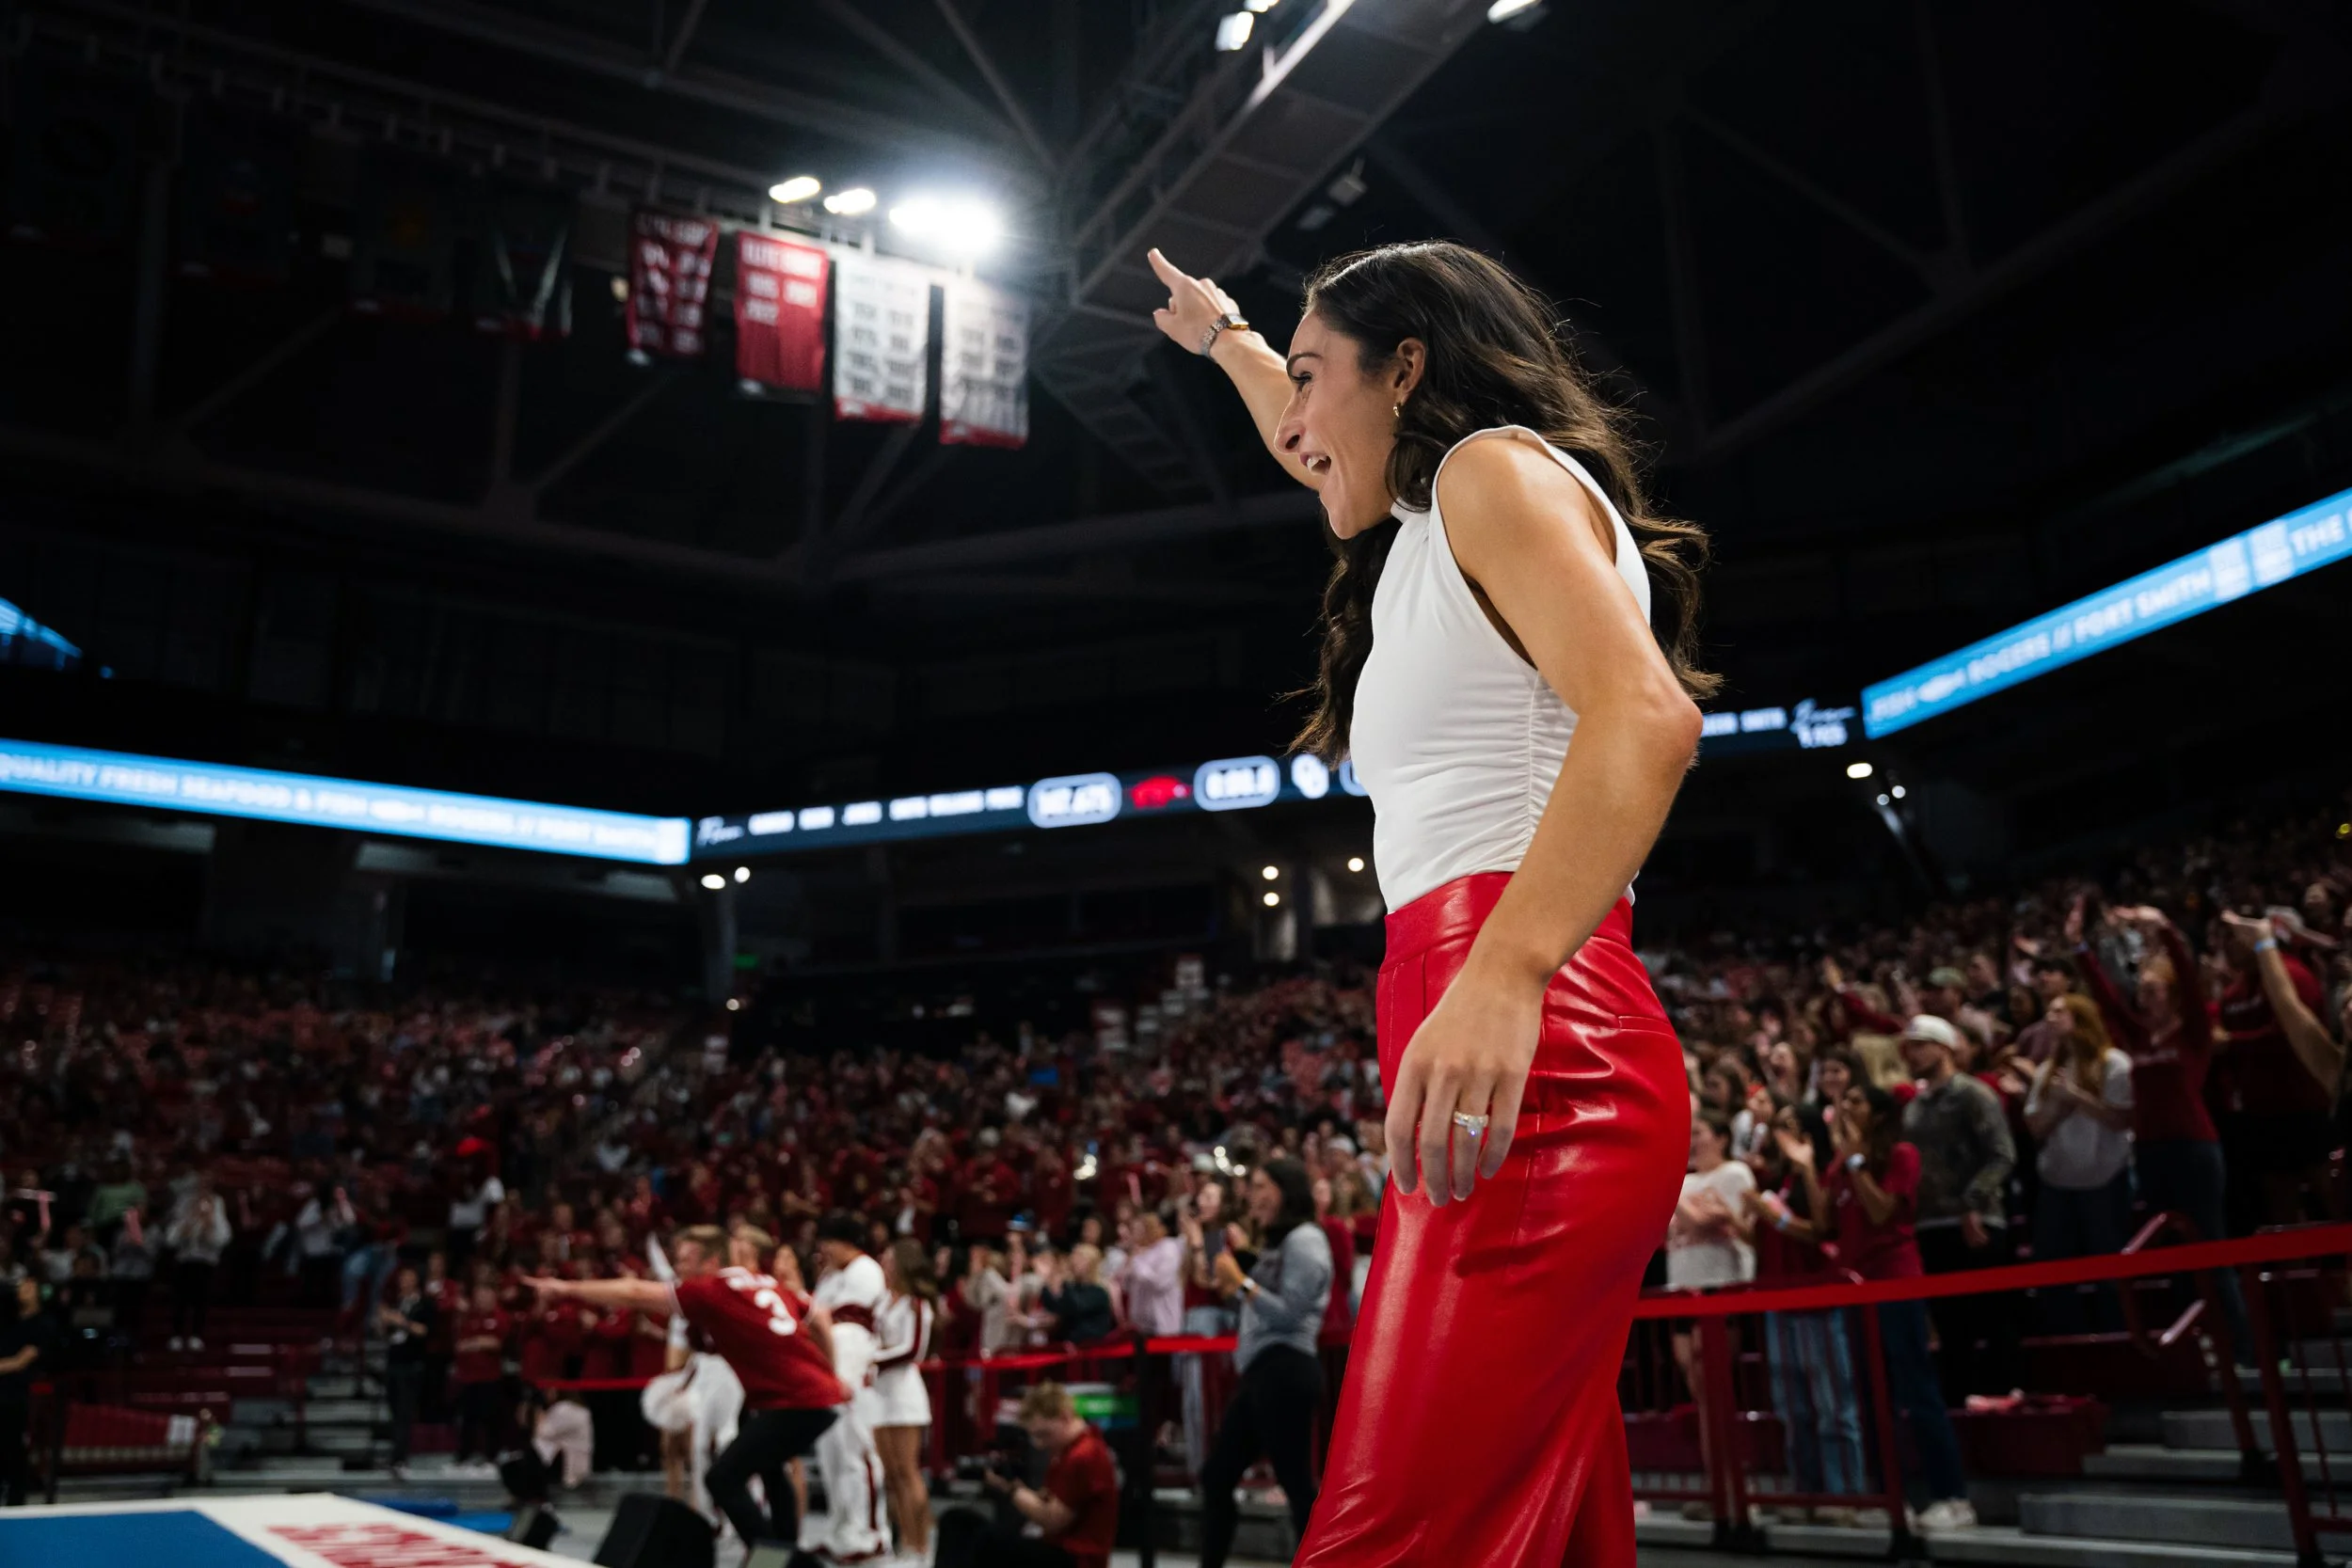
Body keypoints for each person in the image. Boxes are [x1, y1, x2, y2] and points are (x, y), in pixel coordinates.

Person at [1149, 236, 1706, 1564]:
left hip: (1539, 1044)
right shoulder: (1420, 523)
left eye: (1309, 376)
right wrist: (1229, 338)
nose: (1291, 425)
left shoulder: (1487, 471)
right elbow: (1306, 449)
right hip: (1496, 1029)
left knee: (1383, 1539)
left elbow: (1647, 714)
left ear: (1408, 370)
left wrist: (1505, 973)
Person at [527, 1225, 845, 1561]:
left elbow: (634, 1292)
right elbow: (820, 1318)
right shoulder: (764, 1282)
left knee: (722, 1478)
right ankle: (781, 1551)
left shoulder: (711, 1290)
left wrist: (565, 1289)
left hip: (794, 1401)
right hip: (810, 1396)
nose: (678, 1268)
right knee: (769, 1468)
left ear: (710, 1261)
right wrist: (832, 1374)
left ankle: (774, 1559)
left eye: (684, 1259)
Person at [1779, 1084, 1975, 1532]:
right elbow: (1825, 1225)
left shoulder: (1900, 1156)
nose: (1845, 1106)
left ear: (1881, 1115)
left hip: (1894, 1285)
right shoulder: (1840, 1163)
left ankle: (1952, 1496)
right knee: (1869, 1399)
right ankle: (1890, 1497)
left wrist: (1855, 1162)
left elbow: (1883, 1211)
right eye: (1844, 1101)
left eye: (1855, 1100)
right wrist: (1810, 1169)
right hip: (1855, 1291)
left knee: (1917, 1392)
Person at [1198, 1161, 1333, 1568]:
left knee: (1295, 1485)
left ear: (1284, 1190)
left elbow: (1289, 1312)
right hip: (1263, 1372)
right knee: (1217, 1476)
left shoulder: (1306, 1239)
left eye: (1260, 1186)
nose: (1251, 1195)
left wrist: (1240, 1281)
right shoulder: (1281, 1242)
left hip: (1286, 1368)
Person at [1898, 1015, 2020, 1400]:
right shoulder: (1913, 1107)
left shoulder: (1973, 1094)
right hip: (1930, 1222)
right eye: (1910, 1047)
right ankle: (1962, 1397)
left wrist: (1974, 1202)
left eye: (1921, 1045)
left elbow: (2001, 1154)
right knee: (1950, 1322)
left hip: (1975, 1218)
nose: (1913, 1054)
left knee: (1991, 1314)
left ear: (1944, 1046)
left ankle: (2004, 1390)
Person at [2023, 994, 2136, 1332]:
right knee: (2054, 1272)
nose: (2050, 1017)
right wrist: (2058, 1107)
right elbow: (2035, 1127)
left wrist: (2076, 1097)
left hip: (2104, 1176)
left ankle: (2118, 1336)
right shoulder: (2047, 1069)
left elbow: (2121, 1119)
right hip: (2057, 1180)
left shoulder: (2114, 1064)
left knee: (2109, 1270)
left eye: (2059, 1011)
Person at [954, 1382, 1118, 1568]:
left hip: (1076, 1558)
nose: (1040, 1445)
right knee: (959, 1522)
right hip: (1057, 1546)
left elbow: (1052, 1520)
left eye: (1044, 1435)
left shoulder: (1084, 1456)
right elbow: (1050, 1499)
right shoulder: (1067, 1453)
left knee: (989, 1541)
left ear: (1065, 1417)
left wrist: (1010, 1489)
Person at [811, 1210, 891, 1563]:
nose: (823, 1249)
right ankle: (840, 1530)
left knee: (857, 1450)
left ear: (844, 1242)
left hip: (853, 1360)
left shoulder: (866, 1270)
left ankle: (872, 1534)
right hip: (826, 1362)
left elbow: (846, 1318)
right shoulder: (830, 1277)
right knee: (831, 1453)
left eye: (827, 1242)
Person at [871, 1239, 940, 1564]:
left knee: (907, 1470)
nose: (883, 1265)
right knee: (891, 1474)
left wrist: (873, 1359)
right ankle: (904, 1544)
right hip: (879, 1393)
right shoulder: (883, 1301)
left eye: (888, 1259)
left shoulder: (916, 1304)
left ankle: (921, 1545)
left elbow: (913, 1350)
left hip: (903, 1393)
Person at [0, 1275, 56, 1506]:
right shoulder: (7, 1322)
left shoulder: (43, 1324)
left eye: (30, 1286)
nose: (23, 1289)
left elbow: (21, 1361)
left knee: (14, 1448)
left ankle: (16, 1499)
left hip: (20, 1395)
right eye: (21, 1285)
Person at [378, 1265, 436, 1480]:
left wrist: (401, 1321)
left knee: (404, 1412)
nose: (405, 1281)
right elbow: (384, 1333)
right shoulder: (395, 1302)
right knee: (394, 1412)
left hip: (412, 1364)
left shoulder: (425, 1304)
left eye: (409, 1277)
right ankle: (395, 1456)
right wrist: (383, 1321)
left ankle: (400, 1459)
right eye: (403, 1278)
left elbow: (424, 1331)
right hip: (393, 1362)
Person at [165, 1190, 230, 1352]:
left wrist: (208, 1226)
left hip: (205, 1265)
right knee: (180, 1301)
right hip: (185, 1263)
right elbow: (170, 1241)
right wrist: (185, 1229)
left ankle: (196, 1335)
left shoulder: (216, 1219)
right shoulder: (184, 1219)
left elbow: (222, 1240)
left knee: (200, 1301)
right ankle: (176, 1335)